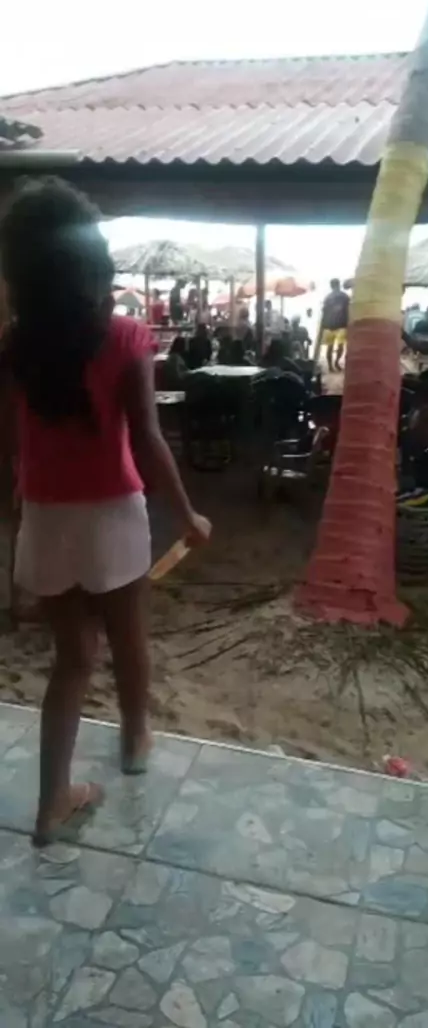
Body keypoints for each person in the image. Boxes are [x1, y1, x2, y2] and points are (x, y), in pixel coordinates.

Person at [0, 178, 211, 845]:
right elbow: (147, 438)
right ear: (90, 260)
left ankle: (51, 804)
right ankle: (135, 739)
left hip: (44, 519)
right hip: (114, 514)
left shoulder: (12, 347)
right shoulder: (124, 337)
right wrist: (187, 514)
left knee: (71, 660)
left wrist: (14, 520)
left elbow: (7, 447)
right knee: (128, 638)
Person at [321, 278, 349, 372]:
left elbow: (324, 312)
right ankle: (336, 362)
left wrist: (323, 326)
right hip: (341, 325)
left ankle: (330, 366)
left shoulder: (327, 298)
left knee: (330, 347)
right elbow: (349, 310)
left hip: (329, 325)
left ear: (331, 286)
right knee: (340, 346)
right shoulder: (345, 296)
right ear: (339, 285)